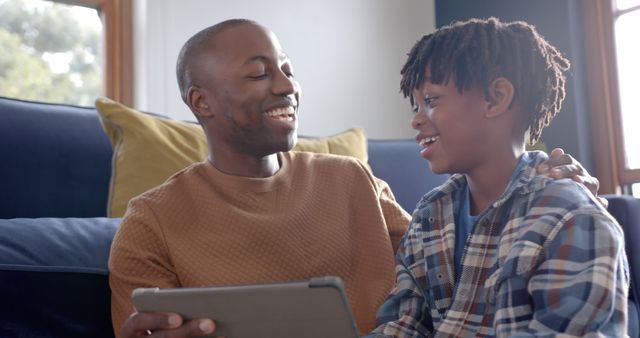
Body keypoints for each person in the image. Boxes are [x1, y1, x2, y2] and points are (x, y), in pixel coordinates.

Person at [110, 19, 606, 338]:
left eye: (287, 69)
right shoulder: (150, 222)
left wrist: (540, 185)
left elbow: (455, 269)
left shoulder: (354, 181)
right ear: (202, 102)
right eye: (260, 74)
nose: (288, 86)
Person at [368, 17, 629, 337]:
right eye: (416, 106)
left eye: (431, 101)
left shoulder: (571, 219)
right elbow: (404, 323)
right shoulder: (429, 215)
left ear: (496, 97)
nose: (416, 121)